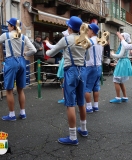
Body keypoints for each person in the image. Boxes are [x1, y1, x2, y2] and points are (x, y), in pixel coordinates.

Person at [46, 16, 88, 145]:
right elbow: (89, 57)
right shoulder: (85, 39)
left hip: (71, 71)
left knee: (70, 103)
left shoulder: (66, 39)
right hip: (83, 70)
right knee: (81, 101)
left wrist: (47, 49)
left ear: (69, 27)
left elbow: (50, 53)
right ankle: (84, 129)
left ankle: (73, 136)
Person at [0, 18, 36, 121]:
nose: (8, 27)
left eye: (9, 25)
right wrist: (25, 54)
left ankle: (11, 115)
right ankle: (23, 113)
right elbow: (34, 50)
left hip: (11, 62)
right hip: (22, 62)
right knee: (20, 89)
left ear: (13, 26)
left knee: (9, 90)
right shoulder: (23, 37)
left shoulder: (6, 35)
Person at [45, 30, 69, 104]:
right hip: (73, 64)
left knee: (64, 81)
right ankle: (70, 98)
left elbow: (53, 47)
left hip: (65, 62)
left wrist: (47, 43)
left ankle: (65, 98)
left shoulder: (65, 41)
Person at [109, 33, 132, 104]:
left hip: (122, 62)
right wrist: (116, 63)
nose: (120, 38)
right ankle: (125, 97)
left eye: (122, 36)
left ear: (124, 38)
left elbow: (120, 55)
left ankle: (118, 97)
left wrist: (112, 54)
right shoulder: (127, 44)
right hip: (124, 62)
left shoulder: (124, 44)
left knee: (116, 80)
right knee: (121, 81)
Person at [85, 23, 103, 113]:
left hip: (89, 66)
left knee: (86, 88)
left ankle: (88, 107)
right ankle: (96, 106)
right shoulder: (100, 41)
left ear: (92, 31)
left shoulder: (89, 41)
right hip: (98, 67)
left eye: (88, 30)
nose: (87, 32)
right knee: (96, 87)